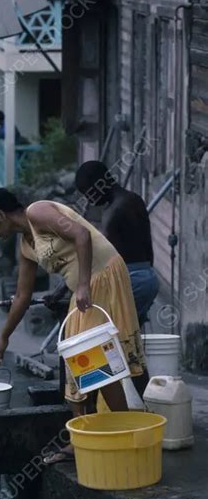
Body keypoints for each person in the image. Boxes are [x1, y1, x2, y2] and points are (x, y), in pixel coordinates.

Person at [0, 188, 147, 464]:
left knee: (95, 361)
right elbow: (22, 296)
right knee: (77, 362)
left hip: (102, 275)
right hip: (85, 287)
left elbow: (82, 235)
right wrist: (4, 336)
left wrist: (81, 286)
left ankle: (124, 436)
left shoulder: (38, 212)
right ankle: (84, 440)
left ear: (0, 214)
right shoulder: (25, 246)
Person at [75, 160, 159, 399]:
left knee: (110, 344)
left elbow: (102, 260)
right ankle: (147, 404)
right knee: (127, 344)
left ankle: (109, 404)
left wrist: (72, 288)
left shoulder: (112, 213)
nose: (90, 201)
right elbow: (148, 247)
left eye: (89, 194)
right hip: (148, 277)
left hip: (131, 279)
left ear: (98, 185)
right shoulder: (133, 199)